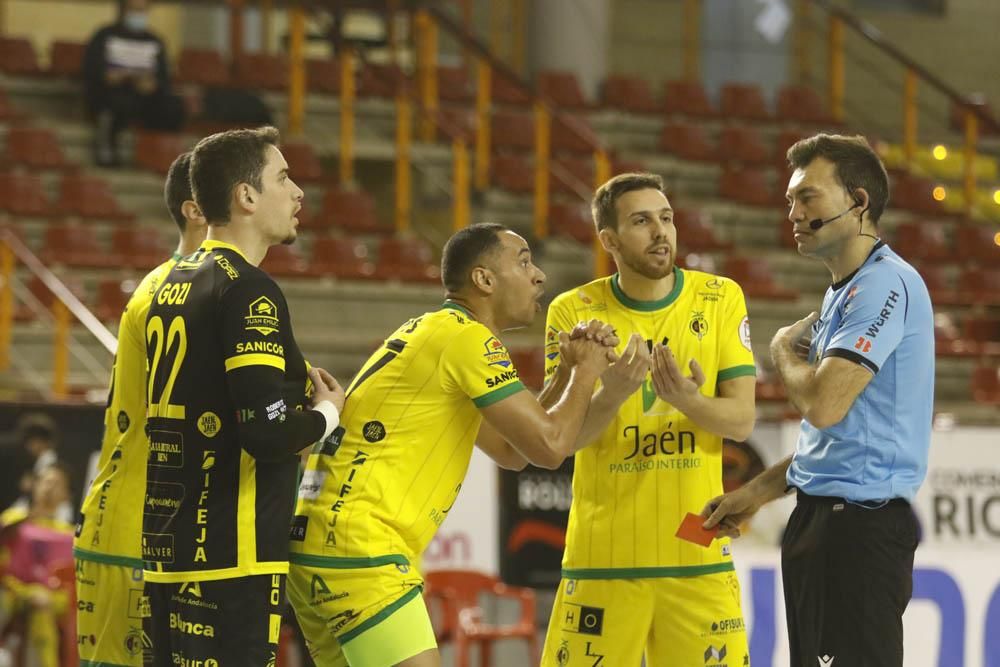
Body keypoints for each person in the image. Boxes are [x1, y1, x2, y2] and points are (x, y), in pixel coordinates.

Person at [287, 222, 624, 667]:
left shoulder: (438, 333)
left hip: (319, 545)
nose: (539, 275)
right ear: (484, 280)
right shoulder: (468, 340)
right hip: (361, 550)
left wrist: (564, 374)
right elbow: (549, 446)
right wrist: (586, 372)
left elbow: (512, 451)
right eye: (524, 262)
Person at [703, 134, 934, 667]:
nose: (793, 212)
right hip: (827, 521)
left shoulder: (884, 284)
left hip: (857, 530)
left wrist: (783, 351)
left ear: (857, 201)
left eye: (807, 197)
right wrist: (756, 492)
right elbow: (836, 437)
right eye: (790, 200)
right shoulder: (843, 292)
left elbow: (824, 406)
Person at [141, 126, 346, 667]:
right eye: (284, 177)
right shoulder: (249, 288)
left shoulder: (172, 280)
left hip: (166, 548)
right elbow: (268, 435)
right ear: (246, 196)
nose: (299, 192)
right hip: (233, 557)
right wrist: (327, 414)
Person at [540, 172, 758, 666]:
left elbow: (742, 421)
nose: (661, 232)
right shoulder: (572, 312)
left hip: (696, 557)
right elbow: (563, 440)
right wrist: (614, 392)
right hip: (602, 561)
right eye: (642, 221)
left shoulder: (720, 297)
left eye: (667, 218)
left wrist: (686, 399)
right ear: (609, 240)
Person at [72, 151, 208, 667]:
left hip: (176, 537)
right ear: (198, 209)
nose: (295, 194)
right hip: (135, 533)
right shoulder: (172, 291)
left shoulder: (218, 289)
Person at [83, 0, 185, 166]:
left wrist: (153, 85)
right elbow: (92, 69)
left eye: (142, 10)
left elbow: (163, 77)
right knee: (115, 102)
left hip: (144, 96)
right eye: (134, 10)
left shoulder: (155, 40)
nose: (138, 15)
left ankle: (161, 157)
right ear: (123, 10)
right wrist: (108, 76)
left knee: (173, 105)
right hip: (113, 91)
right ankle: (107, 150)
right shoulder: (104, 35)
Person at [0, 464, 75, 667]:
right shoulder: (12, 524)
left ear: (66, 495)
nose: (50, 487)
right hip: (11, 593)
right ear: (34, 486)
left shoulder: (71, 536)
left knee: (43, 616)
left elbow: (71, 588)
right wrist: (24, 591)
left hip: (50, 603)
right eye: (46, 481)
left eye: (58, 484)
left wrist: (48, 597)